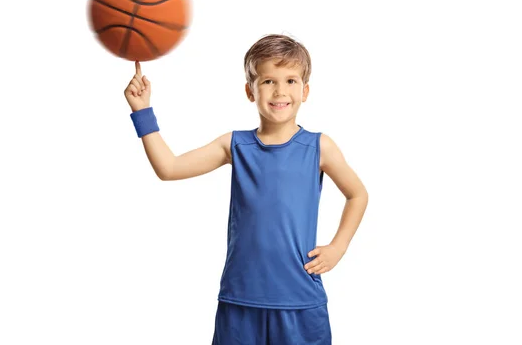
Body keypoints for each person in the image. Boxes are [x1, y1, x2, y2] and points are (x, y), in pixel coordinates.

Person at [124, 34, 369, 344]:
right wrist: (142, 111)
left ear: (305, 91)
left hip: (300, 300)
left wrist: (338, 247)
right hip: (240, 300)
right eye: (268, 81)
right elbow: (169, 168)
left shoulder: (319, 147)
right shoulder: (234, 145)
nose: (280, 90)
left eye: (291, 80)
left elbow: (358, 194)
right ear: (249, 91)